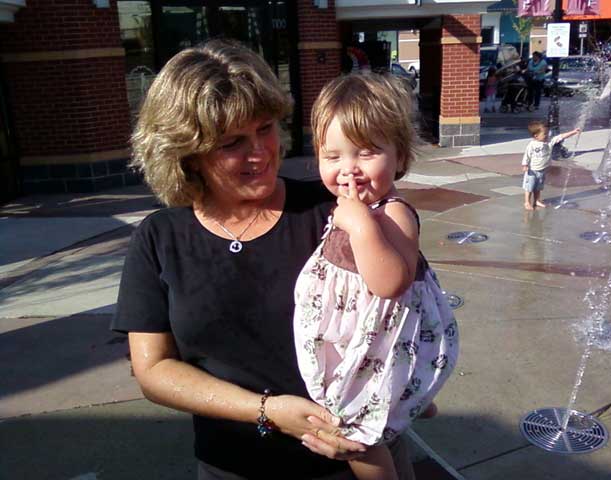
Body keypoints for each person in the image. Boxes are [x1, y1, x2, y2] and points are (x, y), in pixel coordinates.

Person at [111, 39, 411, 480]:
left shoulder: (335, 213)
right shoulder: (160, 238)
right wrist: (265, 411)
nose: (261, 152)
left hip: (352, 462)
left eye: (265, 128)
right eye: (233, 142)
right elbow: (153, 368)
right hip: (232, 466)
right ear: (187, 154)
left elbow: (405, 303)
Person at [293, 73, 459, 480]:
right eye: (334, 157)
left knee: (356, 437)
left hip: (380, 339)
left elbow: (390, 283)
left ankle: (405, 407)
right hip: (356, 335)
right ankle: (413, 397)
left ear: (399, 157)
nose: (349, 169)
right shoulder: (348, 207)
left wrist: (362, 226)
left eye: (366, 153)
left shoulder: (393, 212)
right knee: (374, 396)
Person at [522, 120, 581, 210]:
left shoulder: (550, 142)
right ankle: (527, 202)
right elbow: (527, 155)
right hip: (532, 171)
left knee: (538, 187)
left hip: (542, 170)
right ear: (536, 136)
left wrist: (573, 132)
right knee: (529, 187)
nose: (547, 135)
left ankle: (537, 200)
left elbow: (561, 137)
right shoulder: (532, 145)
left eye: (547, 133)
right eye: (545, 134)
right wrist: (525, 164)